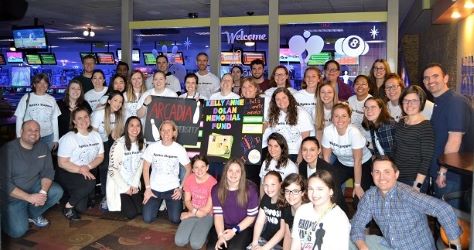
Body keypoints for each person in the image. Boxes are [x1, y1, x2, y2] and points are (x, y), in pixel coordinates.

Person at [350, 157, 462, 250]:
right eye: (377, 172)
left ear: (396, 174)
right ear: (372, 174)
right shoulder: (370, 196)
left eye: (387, 172)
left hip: (417, 247)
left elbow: (443, 209)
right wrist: (363, 247)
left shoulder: (407, 194)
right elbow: (357, 225)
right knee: (347, 241)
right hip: (389, 245)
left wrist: (454, 246)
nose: (381, 177)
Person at [0, 120, 63, 238]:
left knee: (56, 191)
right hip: (13, 196)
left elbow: (48, 172)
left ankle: (32, 214)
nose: (33, 133)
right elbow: (4, 183)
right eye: (29, 130)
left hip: (34, 187)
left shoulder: (43, 147)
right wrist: (28, 197)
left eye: (36, 130)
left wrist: (43, 192)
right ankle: (6, 214)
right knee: (18, 231)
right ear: (21, 131)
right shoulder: (8, 150)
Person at [423, 63, 473, 207]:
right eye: (426, 78)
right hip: (443, 172)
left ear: (446, 78)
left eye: (435, 76)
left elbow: (454, 140)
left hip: (452, 175)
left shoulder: (455, 101)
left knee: (452, 222)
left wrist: (442, 171)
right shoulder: (439, 102)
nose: (430, 80)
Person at [56, 107, 104, 220]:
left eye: (86, 117)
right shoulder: (69, 138)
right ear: (74, 121)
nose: (83, 120)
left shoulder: (95, 135)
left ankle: (77, 193)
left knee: (81, 208)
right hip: (69, 172)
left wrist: (87, 167)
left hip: (85, 171)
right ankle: (68, 207)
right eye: (79, 118)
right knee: (90, 182)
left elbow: (100, 157)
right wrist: (81, 169)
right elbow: (62, 163)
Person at [142, 120, 191, 224]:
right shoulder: (152, 147)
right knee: (147, 218)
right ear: (160, 132)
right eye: (163, 130)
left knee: (175, 219)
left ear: (174, 132)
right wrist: (147, 189)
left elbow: (189, 169)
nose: (166, 133)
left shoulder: (179, 149)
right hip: (154, 189)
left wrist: (181, 189)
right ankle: (160, 203)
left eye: (169, 130)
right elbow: (145, 168)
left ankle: (167, 203)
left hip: (172, 190)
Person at [321, 103, 373, 201]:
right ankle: (341, 211)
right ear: (332, 118)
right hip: (343, 163)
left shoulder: (353, 132)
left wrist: (357, 185)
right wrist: (327, 181)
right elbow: (326, 158)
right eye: (336, 116)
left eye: (344, 116)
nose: (340, 120)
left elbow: (357, 160)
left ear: (349, 119)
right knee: (329, 187)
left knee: (359, 198)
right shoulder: (328, 131)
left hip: (363, 164)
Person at [207, 158, 259, 250]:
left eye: (237, 171)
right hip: (224, 225)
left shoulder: (251, 190)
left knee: (234, 248)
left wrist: (234, 231)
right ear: (225, 172)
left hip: (243, 227)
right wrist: (220, 235)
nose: (233, 174)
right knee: (212, 248)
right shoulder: (216, 189)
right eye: (230, 170)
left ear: (242, 174)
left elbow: (251, 217)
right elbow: (218, 215)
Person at [291, 170, 350, 250]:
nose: (314, 194)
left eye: (320, 189)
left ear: (331, 191)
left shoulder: (339, 219)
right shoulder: (302, 210)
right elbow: (296, 244)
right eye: (311, 189)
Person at [392, 85, 434, 189]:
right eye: (406, 100)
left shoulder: (425, 126)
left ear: (422, 102)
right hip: (396, 176)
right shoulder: (401, 122)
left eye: (414, 101)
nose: (409, 104)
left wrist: (417, 185)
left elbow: (426, 160)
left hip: (414, 180)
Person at [106, 116, 146, 219]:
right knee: (131, 213)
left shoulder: (142, 143)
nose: (135, 129)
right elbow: (112, 169)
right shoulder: (118, 144)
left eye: (138, 126)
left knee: (141, 211)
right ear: (126, 127)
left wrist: (134, 183)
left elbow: (140, 165)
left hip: (133, 184)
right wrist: (125, 188)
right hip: (119, 185)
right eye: (131, 125)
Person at [91, 91, 125, 209]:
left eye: (120, 102)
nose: (118, 104)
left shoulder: (117, 115)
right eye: (115, 100)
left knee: (109, 166)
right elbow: (93, 134)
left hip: (106, 142)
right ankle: (98, 195)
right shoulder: (99, 113)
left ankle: (110, 194)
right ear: (109, 101)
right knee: (99, 167)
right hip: (94, 142)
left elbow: (115, 135)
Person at [175, 155, 217, 250]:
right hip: (194, 210)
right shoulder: (190, 179)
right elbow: (187, 200)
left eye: (202, 166)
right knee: (179, 241)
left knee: (195, 244)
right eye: (196, 167)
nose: (199, 170)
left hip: (207, 214)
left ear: (207, 167)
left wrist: (190, 214)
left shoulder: (213, 183)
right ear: (192, 169)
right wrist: (194, 212)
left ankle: (206, 231)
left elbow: (206, 209)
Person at [264, 87, 314, 163]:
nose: (281, 101)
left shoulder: (301, 114)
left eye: (284, 98)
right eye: (278, 99)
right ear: (274, 101)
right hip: (278, 153)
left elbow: (305, 140)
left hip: (295, 153)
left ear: (289, 98)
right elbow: (267, 126)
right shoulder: (274, 115)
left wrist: (299, 159)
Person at [299, 136, 347, 212]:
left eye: (312, 149)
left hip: (330, 208)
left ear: (319, 151)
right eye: (305, 150)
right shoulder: (302, 166)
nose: (308, 153)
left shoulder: (328, 170)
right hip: (313, 202)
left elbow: (335, 196)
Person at [14, 73, 61, 150]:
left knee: (45, 160)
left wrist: (56, 139)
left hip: (48, 137)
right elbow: (19, 117)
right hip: (30, 135)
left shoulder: (51, 99)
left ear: (47, 85)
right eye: (39, 83)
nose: (42, 85)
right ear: (34, 85)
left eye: (45, 83)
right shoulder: (26, 97)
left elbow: (54, 119)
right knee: (29, 159)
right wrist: (19, 136)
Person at [249, 171, 285, 250]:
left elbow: (282, 231)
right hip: (266, 238)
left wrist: (264, 248)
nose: (269, 189)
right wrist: (254, 243)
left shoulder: (285, 202)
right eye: (266, 185)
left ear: (280, 184)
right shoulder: (266, 198)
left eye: (273, 185)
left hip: (281, 243)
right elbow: (259, 222)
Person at [279, 173, 308, 250]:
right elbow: (288, 236)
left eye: (295, 191)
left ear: (302, 192)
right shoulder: (286, 209)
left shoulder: (308, 212)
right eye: (287, 191)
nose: (290, 195)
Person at [348, 75, 372, 143]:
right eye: (357, 83)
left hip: (367, 141)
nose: (360, 86)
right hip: (352, 138)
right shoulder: (350, 100)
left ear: (368, 88)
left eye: (364, 84)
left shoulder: (371, 101)